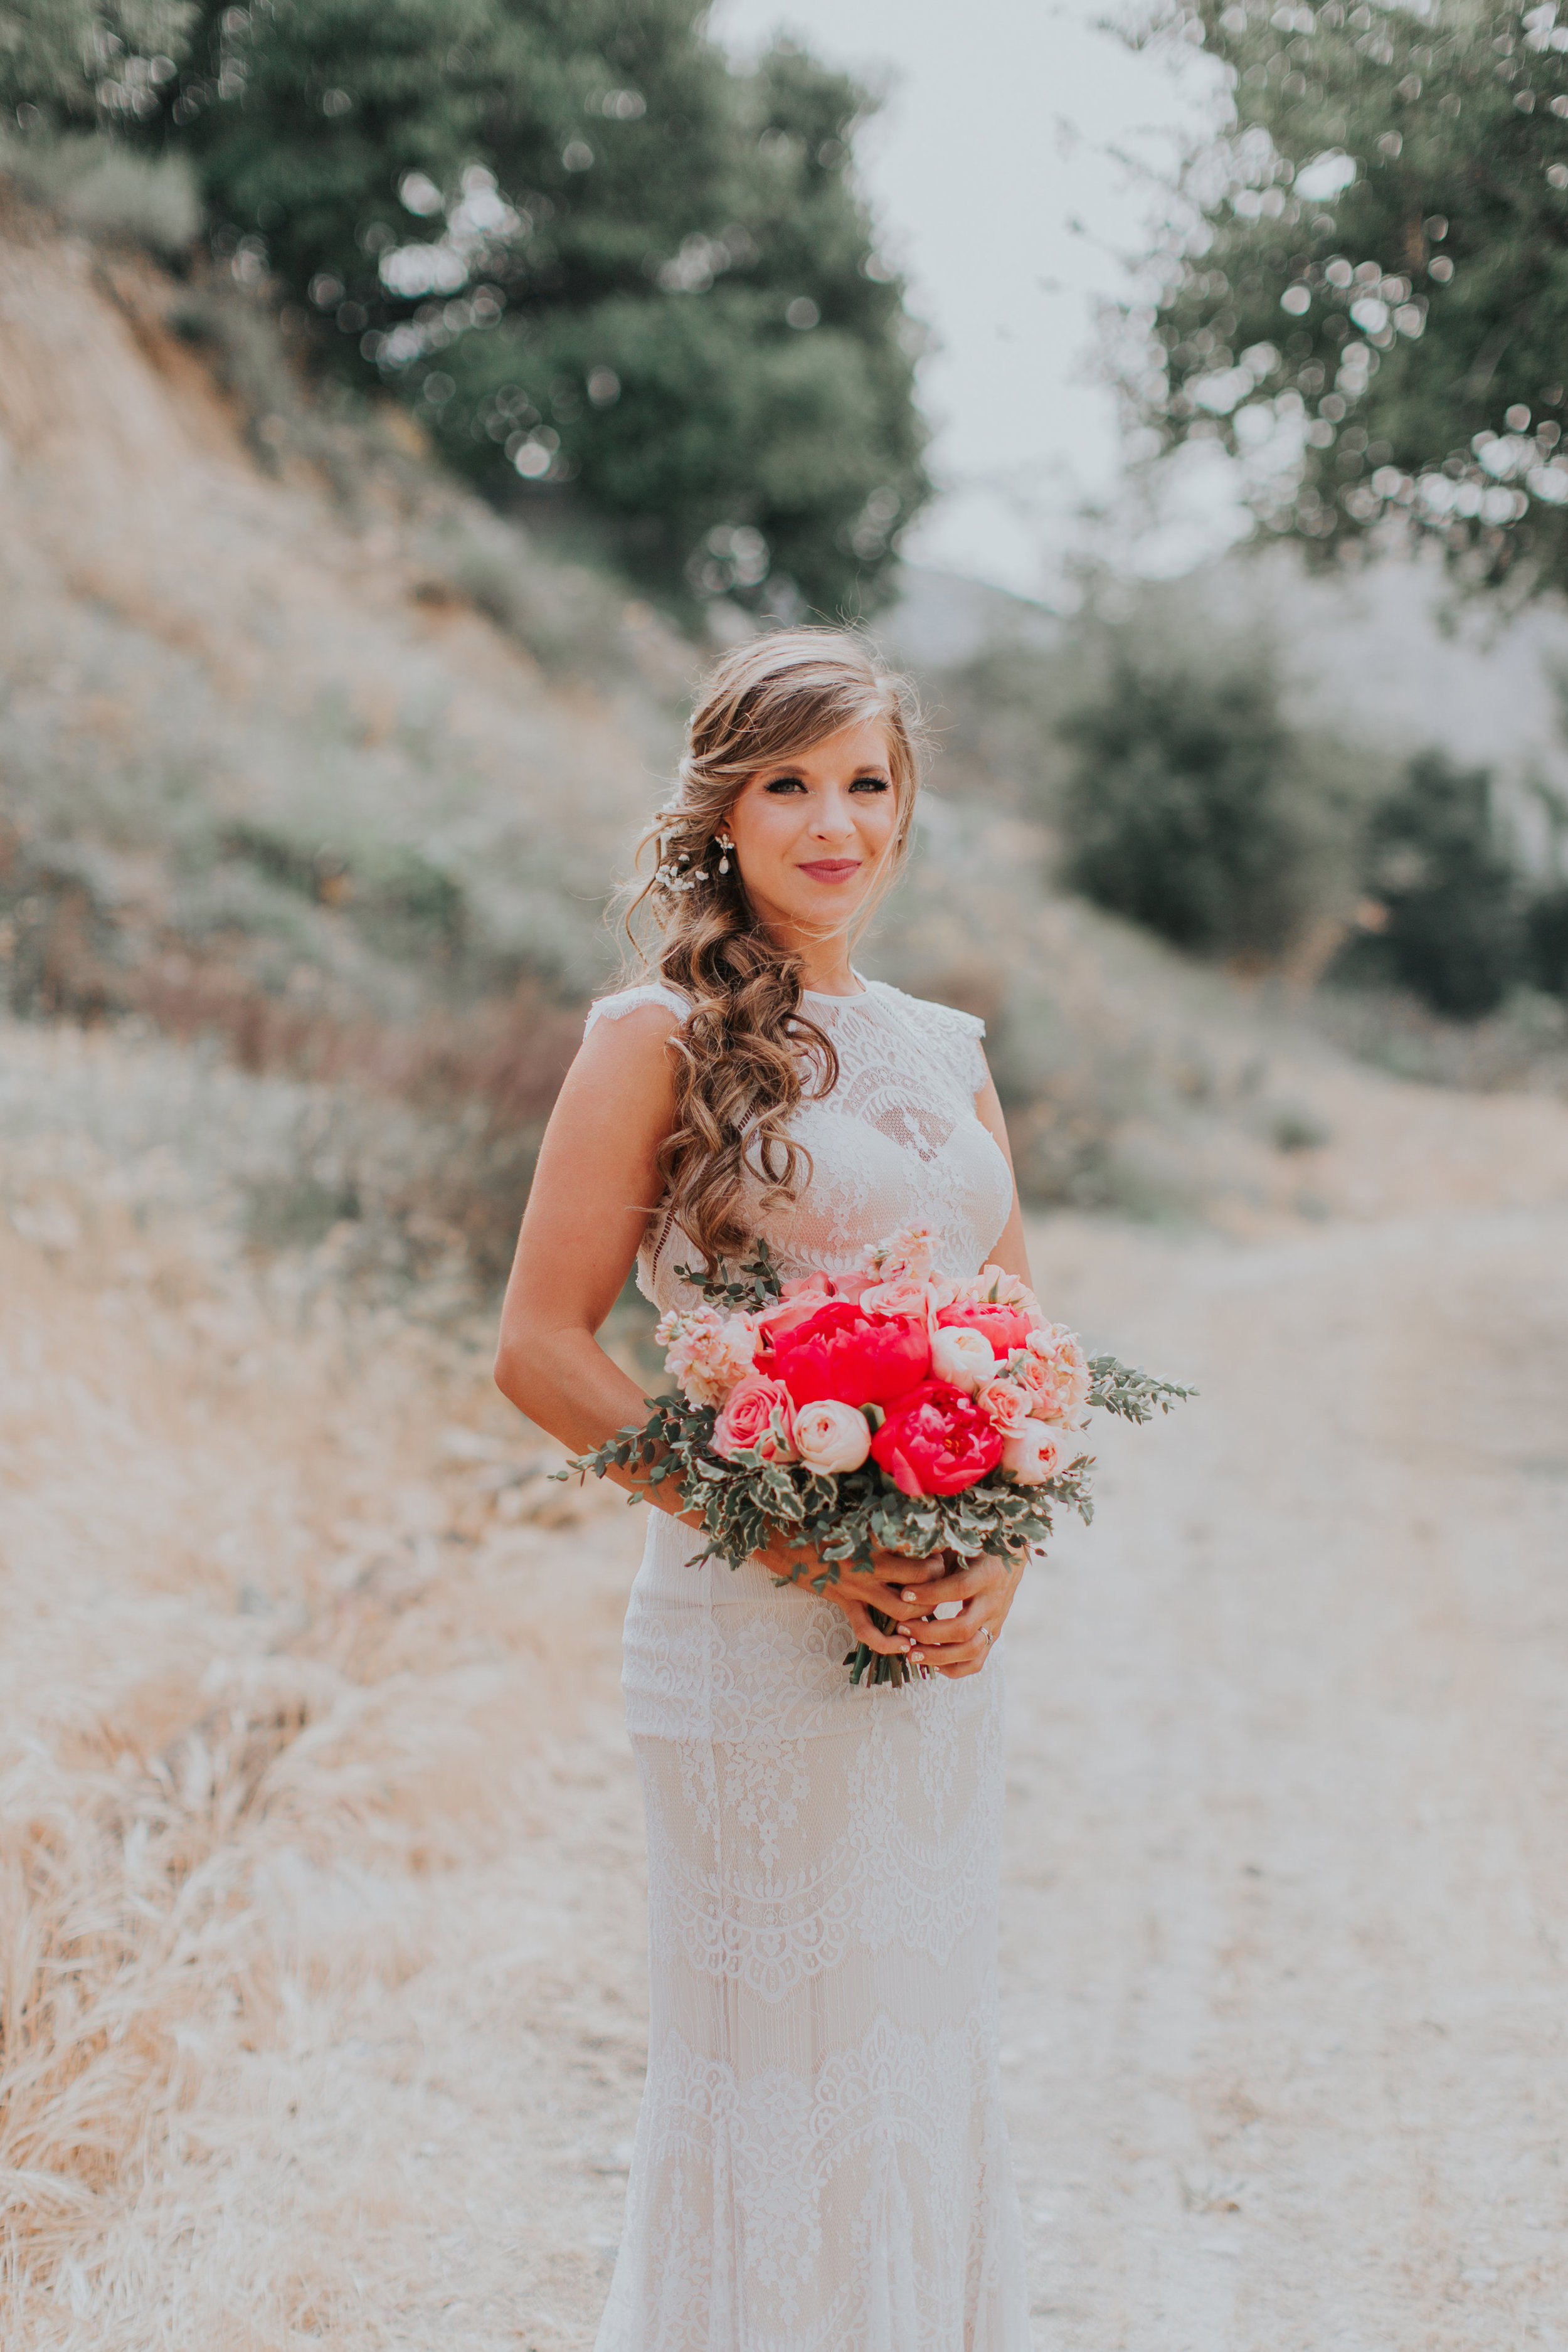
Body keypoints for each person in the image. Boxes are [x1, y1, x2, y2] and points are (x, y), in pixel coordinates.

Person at [494, 628, 1037, 2349]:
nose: (831, 821)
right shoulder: (648, 1034)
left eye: (864, 782)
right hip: (747, 1632)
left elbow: (1017, 1341)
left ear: (904, 807)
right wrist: (792, 1544)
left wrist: (1000, 1557)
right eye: (786, 782)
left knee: (913, 2041)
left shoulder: (945, 1049)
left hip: (934, 1638)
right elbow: (541, 1347)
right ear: (720, 808)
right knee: (768, 2066)